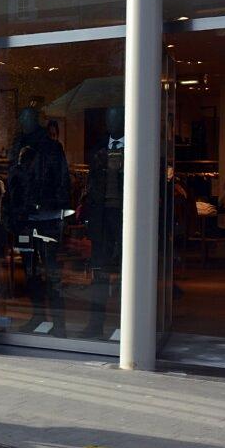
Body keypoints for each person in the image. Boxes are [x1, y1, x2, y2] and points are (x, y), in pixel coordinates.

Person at [6, 107, 71, 338]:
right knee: (30, 267)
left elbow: (63, 182)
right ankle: (38, 315)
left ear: (36, 121)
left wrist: (58, 213)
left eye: (27, 118)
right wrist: (11, 214)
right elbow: (12, 183)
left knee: (51, 269)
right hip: (24, 220)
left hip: (47, 220)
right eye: (21, 118)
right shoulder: (19, 147)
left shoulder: (52, 148)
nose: (24, 122)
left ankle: (59, 321)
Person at [80, 106, 124, 339]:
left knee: (125, 273)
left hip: (124, 217)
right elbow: (91, 184)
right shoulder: (99, 147)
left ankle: (126, 327)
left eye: (115, 119)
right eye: (109, 120)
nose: (111, 124)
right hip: (101, 217)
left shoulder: (136, 144)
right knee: (99, 273)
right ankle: (95, 324)